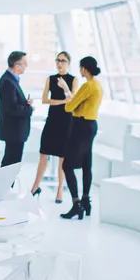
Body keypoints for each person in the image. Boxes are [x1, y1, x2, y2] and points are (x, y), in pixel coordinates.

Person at [30, 51, 78, 203]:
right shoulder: (50, 79)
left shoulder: (73, 80)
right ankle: (35, 187)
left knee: (62, 158)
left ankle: (59, 190)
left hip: (67, 122)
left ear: (68, 63)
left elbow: (73, 100)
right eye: (57, 60)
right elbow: (45, 100)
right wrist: (62, 102)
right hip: (52, 120)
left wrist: (65, 88)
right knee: (43, 154)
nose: (59, 63)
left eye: (63, 61)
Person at [58, 56, 103, 220]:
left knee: (67, 165)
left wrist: (68, 96)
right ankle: (86, 200)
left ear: (84, 68)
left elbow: (70, 106)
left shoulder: (87, 86)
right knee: (86, 164)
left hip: (80, 127)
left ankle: (76, 203)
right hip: (91, 126)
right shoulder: (98, 85)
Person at [0, 51, 34, 169]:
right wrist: (29, 109)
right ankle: (3, 187)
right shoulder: (8, 82)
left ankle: (5, 187)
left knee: (11, 162)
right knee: (11, 163)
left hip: (14, 131)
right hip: (13, 131)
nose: (26, 66)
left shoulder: (11, 80)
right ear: (17, 66)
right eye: (24, 64)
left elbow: (13, 103)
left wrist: (24, 103)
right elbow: (11, 108)